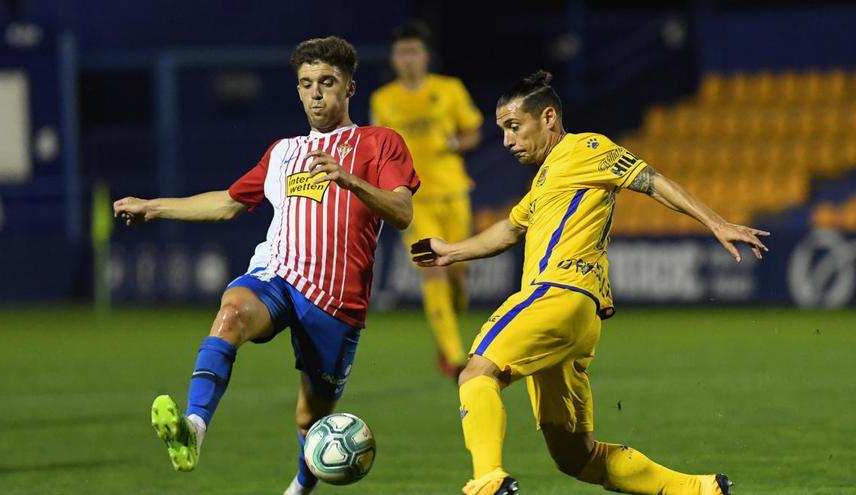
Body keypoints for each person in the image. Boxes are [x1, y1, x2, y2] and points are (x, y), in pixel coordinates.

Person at [411, 70, 769, 495]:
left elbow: (652, 181)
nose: (506, 141)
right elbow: (509, 230)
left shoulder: (586, 148)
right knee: (575, 457)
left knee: (476, 372)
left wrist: (716, 222)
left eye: (513, 127)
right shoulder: (546, 177)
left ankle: (487, 481)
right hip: (577, 319)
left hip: (556, 296)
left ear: (547, 118)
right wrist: (451, 251)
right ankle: (701, 489)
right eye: (502, 130)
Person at [113, 36, 419, 495]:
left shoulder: (379, 143)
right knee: (232, 312)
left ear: (350, 88)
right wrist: (153, 207)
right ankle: (193, 429)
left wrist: (349, 179)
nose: (316, 93)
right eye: (306, 83)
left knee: (310, 420)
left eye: (327, 82)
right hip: (276, 275)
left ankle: (298, 489)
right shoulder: (283, 153)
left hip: (336, 300)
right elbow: (229, 203)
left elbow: (402, 212)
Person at [370, 20, 483, 380]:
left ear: (425, 55)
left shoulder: (449, 89)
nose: (407, 59)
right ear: (393, 58)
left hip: (453, 192)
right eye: (401, 52)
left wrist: (453, 143)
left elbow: (472, 132)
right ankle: (454, 356)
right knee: (433, 268)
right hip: (412, 199)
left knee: (458, 277)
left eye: (413, 51)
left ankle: (445, 332)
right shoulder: (382, 100)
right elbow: (377, 147)